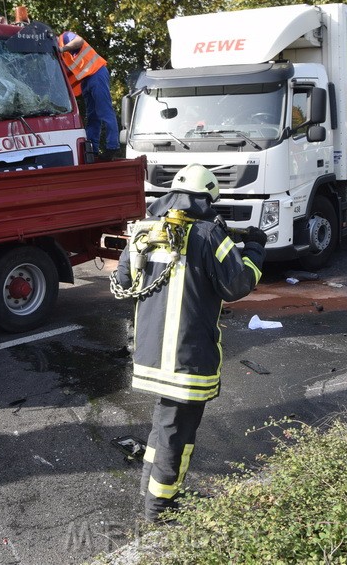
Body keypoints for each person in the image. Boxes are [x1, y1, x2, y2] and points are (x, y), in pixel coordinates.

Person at [111, 164, 265, 523]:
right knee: (176, 435)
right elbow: (238, 284)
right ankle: (160, 510)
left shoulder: (146, 230)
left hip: (151, 354)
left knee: (164, 426)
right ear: (209, 198)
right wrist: (256, 250)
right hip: (188, 357)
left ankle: (151, 491)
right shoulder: (211, 235)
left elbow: (122, 281)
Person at [58, 30, 121, 160]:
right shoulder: (58, 55)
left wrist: (62, 48)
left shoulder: (64, 37)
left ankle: (112, 147)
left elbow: (79, 41)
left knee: (104, 111)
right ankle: (93, 150)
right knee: (92, 116)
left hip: (96, 73)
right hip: (86, 79)